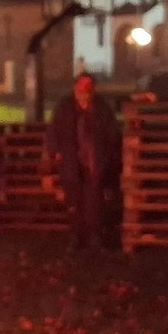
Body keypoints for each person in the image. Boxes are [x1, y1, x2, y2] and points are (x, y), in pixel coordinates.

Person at [48, 71, 122, 249]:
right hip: (71, 162)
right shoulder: (65, 107)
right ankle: (75, 236)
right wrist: (56, 151)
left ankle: (94, 236)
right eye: (82, 86)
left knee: (94, 201)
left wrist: (109, 157)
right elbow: (53, 131)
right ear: (76, 87)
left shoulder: (102, 109)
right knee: (74, 201)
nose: (85, 90)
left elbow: (112, 135)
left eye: (89, 86)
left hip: (94, 162)